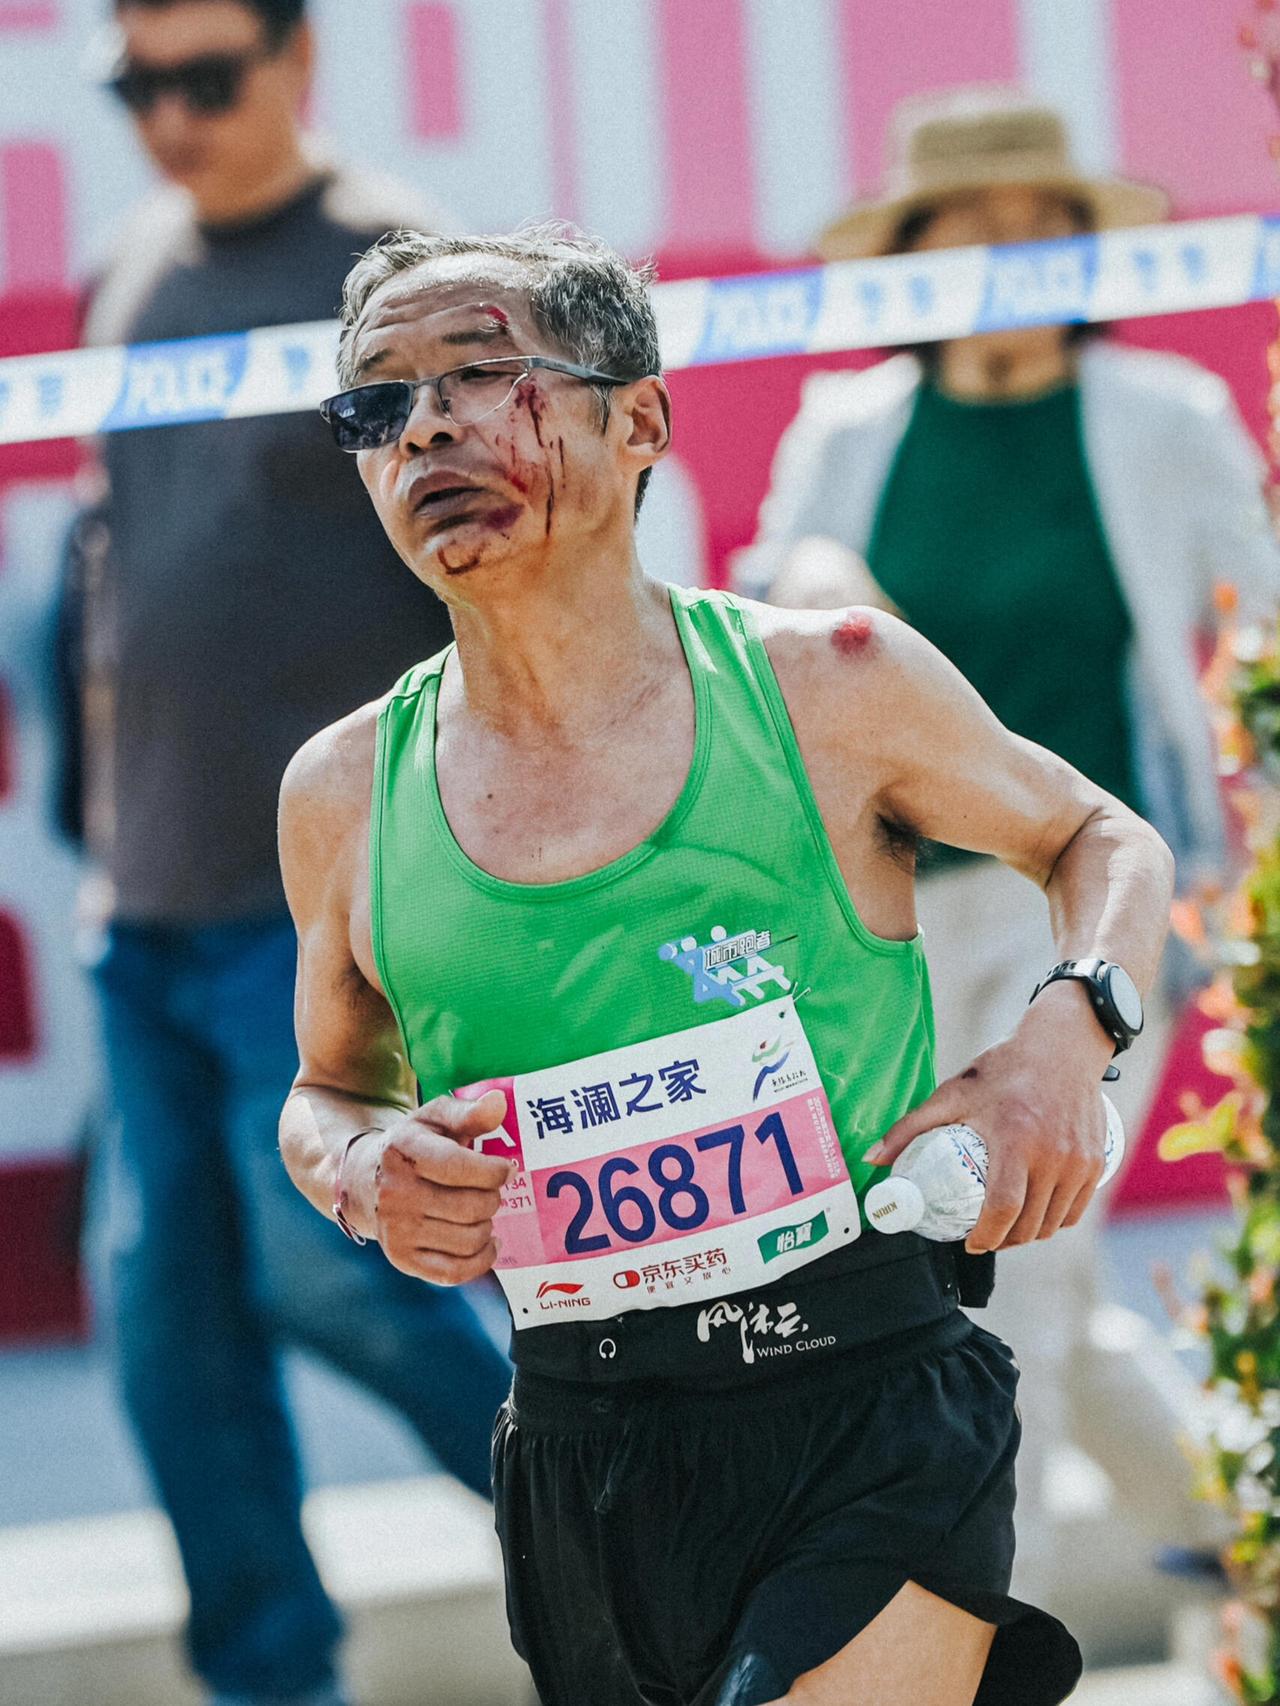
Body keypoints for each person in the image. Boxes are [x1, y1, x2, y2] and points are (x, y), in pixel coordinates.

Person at [276, 223, 1175, 1706]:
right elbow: (325, 1088)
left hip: (867, 1403)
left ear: (640, 421)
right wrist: (366, 1169)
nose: (425, 424)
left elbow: (1099, 836)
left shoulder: (829, 684)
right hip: (586, 1445)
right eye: (379, 402)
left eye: (483, 374)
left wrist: (1060, 1044)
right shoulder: (344, 791)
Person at [734, 85, 1280, 1597]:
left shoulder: (1163, 418)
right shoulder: (848, 427)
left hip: (1090, 910)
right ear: (914, 257)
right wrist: (818, 577)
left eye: (1041, 228)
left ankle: (977, 1640)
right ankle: (1252, 1532)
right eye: (971, 230)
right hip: (886, 924)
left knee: (1014, 1284)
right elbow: (767, 631)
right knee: (981, 1270)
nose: (1010, 256)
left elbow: (1263, 640)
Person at [73, 4, 512, 1703]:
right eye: (135, 84)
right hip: (149, 920)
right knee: (169, 1341)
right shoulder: (133, 269)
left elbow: (507, 577)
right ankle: (272, 1684)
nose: (169, 117)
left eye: (206, 76)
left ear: (300, 59)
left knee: (349, 1285)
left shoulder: (390, 284)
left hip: (319, 918)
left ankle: (648, 1538)